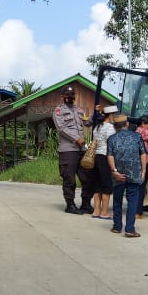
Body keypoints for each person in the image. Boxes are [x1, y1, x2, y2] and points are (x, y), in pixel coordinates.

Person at [106, 114, 146, 238]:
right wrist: (143, 170)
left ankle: (117, 226)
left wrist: (114, 171)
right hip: (134, 172)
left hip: (118, 174)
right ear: (127, 124)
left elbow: (110, 155)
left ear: (114, 126)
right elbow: (143, 154)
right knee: (133, 200)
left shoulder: (112, 139)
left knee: (117, 199)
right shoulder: (137, 137)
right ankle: (129, 229)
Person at [53, 86, 90, 214]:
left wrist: (96, 115)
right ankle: (70, 205)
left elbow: (86, 123)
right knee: (69, 179)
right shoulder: (59, 110)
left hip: (82, 150)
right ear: (62, 96)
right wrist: (76, 138)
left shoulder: (79, 109)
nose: (70, 96)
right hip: (68, 150)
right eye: (67, 94)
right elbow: (61, 128)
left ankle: (86, 204)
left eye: (72, 94)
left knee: (87, 177)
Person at [91, 105, 118, 219]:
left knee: (97, 184)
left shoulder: (97, 127)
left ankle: (96, 211)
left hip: (96, 157)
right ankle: (104, 212)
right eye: (114, 115)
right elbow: (112, 145)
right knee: (107, 185)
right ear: (110, 115)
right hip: (105, 157)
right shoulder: (110, 128)